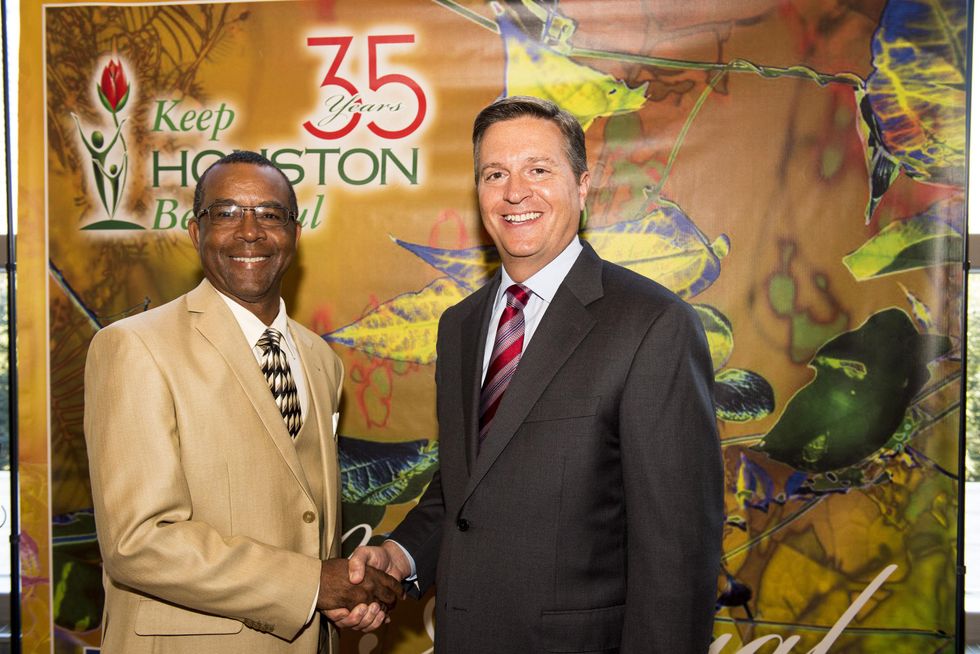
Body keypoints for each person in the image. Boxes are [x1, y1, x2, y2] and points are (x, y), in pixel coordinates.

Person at [347, 96, 725, 653]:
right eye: (495, 173)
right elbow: (467, 489)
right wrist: (400, 557)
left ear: (582, 184)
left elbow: (677, 552)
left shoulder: (653, 325)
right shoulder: (460, 325)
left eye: (538, 170)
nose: (515, 192)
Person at [84, 150, 400, 653]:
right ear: (195, 232)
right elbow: (138, 543)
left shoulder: (320, 359)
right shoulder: (134, 347)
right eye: (226, 213)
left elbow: (304, 514)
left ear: (295, 235)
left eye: (270, 214)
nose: (249, 231)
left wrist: (341, 596)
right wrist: (315, 584)